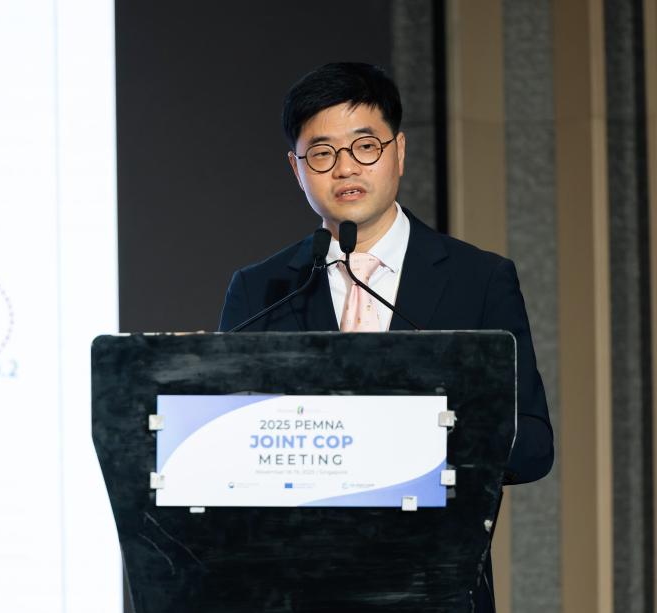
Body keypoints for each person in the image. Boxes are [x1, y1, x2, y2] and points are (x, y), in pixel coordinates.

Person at [218, 62, 554, 613]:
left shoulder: (478, 280)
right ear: (296, 169)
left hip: (437, 590)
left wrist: (417, 434)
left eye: (365, 146)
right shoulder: (263, 291)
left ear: (399, 151)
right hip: (294, 593)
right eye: (321, 153)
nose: (345, 167)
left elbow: (533, 445)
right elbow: (228, 448)